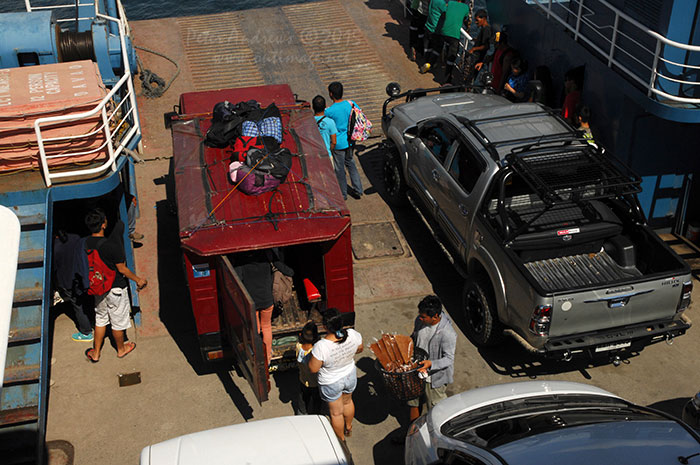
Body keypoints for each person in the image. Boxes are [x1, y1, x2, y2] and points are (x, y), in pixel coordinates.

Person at [84, 208, 147, 362]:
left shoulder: (85, 243)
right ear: (103, 225)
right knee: (117, 322)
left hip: (98, 287)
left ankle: (96, 352)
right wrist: (138, 280)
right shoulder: (111, 246)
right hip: (115, 288)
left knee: (100, 319)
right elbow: (122, 269)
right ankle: (121, 349)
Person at [309, 308, 363, 441]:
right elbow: (360, 349)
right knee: (348, 402)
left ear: (325, 327)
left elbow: (313, 369)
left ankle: (341, 440)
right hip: (349, 375)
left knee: (336, 413)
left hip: (331, 382)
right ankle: (349, 427)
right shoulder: (352, 334)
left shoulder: (321, 346)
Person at [409, 295, 456, 421]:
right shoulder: (419, 321)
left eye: (424, 316)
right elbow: (414, 337)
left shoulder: (448, 334)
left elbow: (449, 359)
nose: (420, 318)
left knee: (436, 410)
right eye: (420, 315)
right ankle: (411, 434)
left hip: (433, 378)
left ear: (435, 316)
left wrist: (430, 364)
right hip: (416, 369)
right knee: (413, 402)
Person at [325, 82, 364, 200]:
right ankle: (358, 190)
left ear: (331, 94)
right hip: (351, 140)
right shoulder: (351, 104)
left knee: (339, 168)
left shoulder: (329, 111)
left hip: (338, 144)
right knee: (351, 163)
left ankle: (343, 194)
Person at [52, 229, 93, 342]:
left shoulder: (55, 249)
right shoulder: (75, 237)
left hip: (68, 281)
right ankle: (92, 320)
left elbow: (55, 269)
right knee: (85, 300)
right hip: (82, 277)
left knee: (77, 306)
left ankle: (86, 332)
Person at [438, 0, 471, 84]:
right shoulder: (465, 7)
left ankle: (438, 60)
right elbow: (465, 19)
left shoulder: (450, 3)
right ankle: (447, 78)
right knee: (452, 57)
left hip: (444, 32)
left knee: (444, 46)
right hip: (454, 35)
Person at [295, 321, 321, 415]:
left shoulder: (298, 346)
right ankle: (316, 416)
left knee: (303, 400)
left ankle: (301, 415)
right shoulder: (316, 351)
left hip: (303, 380)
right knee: (316, 401)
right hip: (315, 383)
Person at [461, 9, 492, 84]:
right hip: (477, 57)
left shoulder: (486, 30)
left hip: (478, 58)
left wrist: (474, 48)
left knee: (470, 76)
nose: (475, 22)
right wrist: (476, 40)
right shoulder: (484, 29)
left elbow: (485, 46)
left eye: (477, 20)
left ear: (483, 19)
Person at [419, 0, 448, 74]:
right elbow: (446, 14)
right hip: (436, 30)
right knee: (438, 48)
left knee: (428, 46)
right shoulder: (442, 3)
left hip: (428, 27)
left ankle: (425, 61)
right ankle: (430, 64)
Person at [313, 95, 338, 167]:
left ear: (313, 107)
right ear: (325, 107)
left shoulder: (309, 122)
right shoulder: (330, 122)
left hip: (315, 155)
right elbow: (334, 142)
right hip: (327, 154)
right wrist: (329, 149)